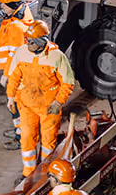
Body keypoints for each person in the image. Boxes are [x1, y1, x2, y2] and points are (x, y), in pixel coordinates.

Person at [5, 27, 76, 178]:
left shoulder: (57, 57)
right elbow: (14, 77)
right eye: (27, 41)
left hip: (49, 107)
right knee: (26, 138)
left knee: (48, 141)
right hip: (26, 106)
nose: (27, 44)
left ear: (40, 42)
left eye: (30, 42)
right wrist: (11, 97)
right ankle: (28, 173)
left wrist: (58, 102)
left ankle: (45, 172)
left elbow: (68, 83)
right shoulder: (22, 53)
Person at [0, 0, 46, 83]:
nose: (1, 6)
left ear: (12, 5)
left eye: (4, 4)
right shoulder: (24, 10)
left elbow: (15, 55)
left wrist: (7, 75)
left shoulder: (15, 27)